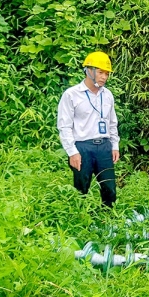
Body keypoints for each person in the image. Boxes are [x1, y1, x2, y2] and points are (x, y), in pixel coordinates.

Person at [57, 51, 120, 208]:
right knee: (81, 188)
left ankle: (108, 221)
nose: (104, 77)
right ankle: (79, 220)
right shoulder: (71, 95)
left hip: (104, 146)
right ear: (89, 71)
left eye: (107, 73)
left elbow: (112, 122)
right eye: (100, 72)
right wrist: (72, 151)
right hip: (82, 147)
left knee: (109, 189)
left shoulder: (107, 95)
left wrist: (115, 145)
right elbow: (64, 126)